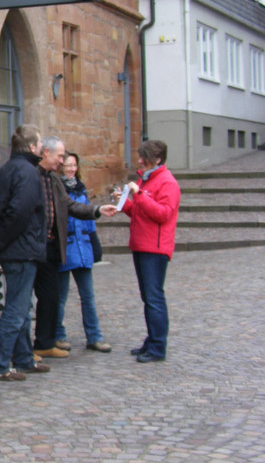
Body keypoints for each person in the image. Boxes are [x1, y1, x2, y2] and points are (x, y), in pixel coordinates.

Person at [31, 136, 116, 359]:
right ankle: (46, 340)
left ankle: (57, 341)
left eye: (70, 163)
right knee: (50, 298)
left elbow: (72, 207)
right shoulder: (35, 176)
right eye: (62, 159)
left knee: (69, 296)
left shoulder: (57, 180)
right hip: (50, 248)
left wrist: (97, 211)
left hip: (69, 248)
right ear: (46, 153)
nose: (65, 164)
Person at [0, 125, 51, 381]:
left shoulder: (5, 170)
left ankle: (23, 358)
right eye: (40, 143)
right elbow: (19, 212)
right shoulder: (28, 172)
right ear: (32, 147)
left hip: (14, 248)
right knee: (16, 309)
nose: (42, 147)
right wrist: (0, 239)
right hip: (21, 249)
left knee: (21, 306)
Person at [118, 140, 180, 363]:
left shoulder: (167, 182)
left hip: (155, 248)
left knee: (154, 298)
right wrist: (124, 202)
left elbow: (163, 214)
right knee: (148, 297)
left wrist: (140, 196)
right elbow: (140, 212)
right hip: (142, 244)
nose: (140, 161)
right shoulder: (146, 179)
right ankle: (152, 340)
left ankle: (157, 347)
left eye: (144, 158)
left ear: (157, 159)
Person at [54, 152, 111, 353]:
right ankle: (58, 335)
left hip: (82, 247)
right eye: (68, 165)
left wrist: (94, 243)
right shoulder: (57, 188)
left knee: (88, 296)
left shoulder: (80, 188)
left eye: (74, 165)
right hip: (66, 248)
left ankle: (94, 336)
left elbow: (88, 219)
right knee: (60, 297)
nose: (71, 169)